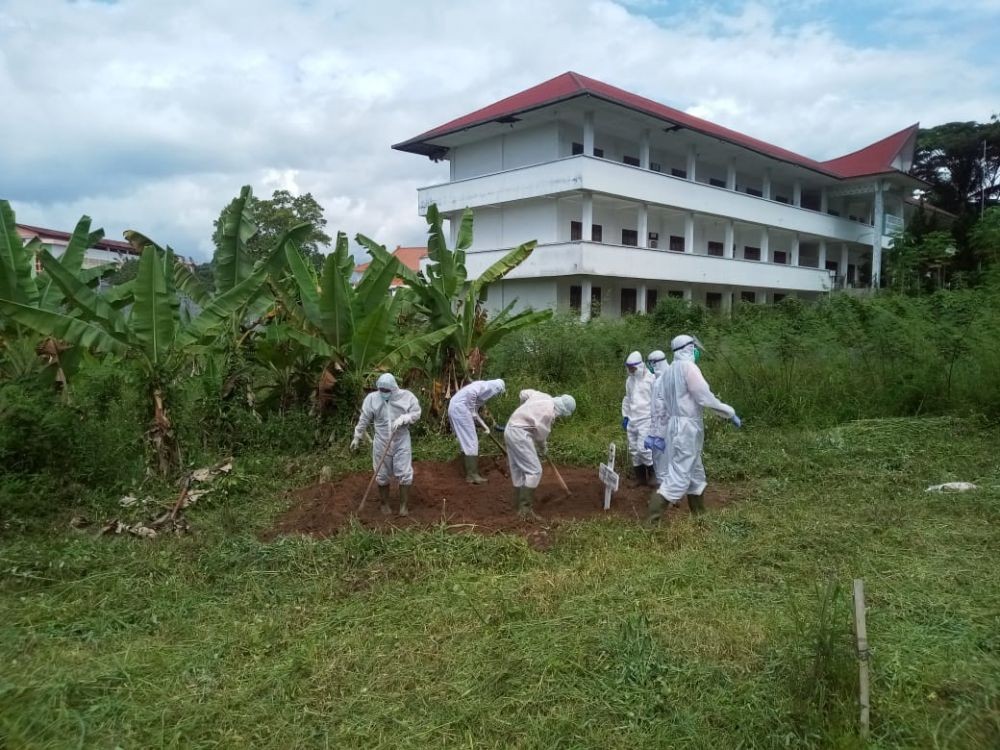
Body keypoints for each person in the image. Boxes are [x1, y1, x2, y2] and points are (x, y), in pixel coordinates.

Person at [648, 334, 741, 522]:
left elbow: (663, 406)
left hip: (676, 426)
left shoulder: (669, 371)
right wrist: (728, 412)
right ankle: (651, 521)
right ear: (688, 349)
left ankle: (699, 514)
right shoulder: (689, 368)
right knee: (679, 475)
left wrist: (659, 432)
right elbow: (704, 397)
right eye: (694, 347)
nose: (697, 351)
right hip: (687, 427)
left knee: (695, 473)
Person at [350, 373, 422, 516]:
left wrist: (404, 418)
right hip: (382, 441)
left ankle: (403, 506)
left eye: (387, 391)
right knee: (381, 473)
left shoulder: (406, 397)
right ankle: (384, 504)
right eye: (381, 390)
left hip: (401, 439)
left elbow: (416, 413)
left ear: (394, 388)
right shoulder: (372, 399)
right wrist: (357, 436)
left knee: (405, 471)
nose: (384, 393)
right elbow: (364, 418)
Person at [503, 390, 576, 519]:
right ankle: (525, 511)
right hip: (519, 434)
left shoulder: (544, 396)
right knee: (535, 471)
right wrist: (544, 449)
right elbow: (540, 437)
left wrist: (523, 410)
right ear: (563, 411)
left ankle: (518, 506)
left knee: (518, 470)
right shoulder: (549, 414)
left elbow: (523, 393)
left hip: (510, 428)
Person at [447, 379, 506, 484]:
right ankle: (472, 475)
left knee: (466, 441)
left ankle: (468, 473)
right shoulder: (484, 386)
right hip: (461, 409)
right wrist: (471, 410)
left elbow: (474, 412)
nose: (496, 394)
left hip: (456, 408)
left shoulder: (481, 389)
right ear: (497, 388)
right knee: (471, 441)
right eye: (498, 391)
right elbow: (471, 394)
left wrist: (485, 426)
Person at [621, 351, 657, 487]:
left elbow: (657, 399)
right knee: (634, 449)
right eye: (629, 368)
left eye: (632, 368)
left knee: (644, 448)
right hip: (632, 419)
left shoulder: (651, 379)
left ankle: (654, 476)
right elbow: (627, 399)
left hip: (646, 419)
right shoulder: (629, 381)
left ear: (640, 366)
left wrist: (657, 418)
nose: (630, 370)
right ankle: (640, 478)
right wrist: (625, 416)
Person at [646, 349, 671, 484]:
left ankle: (666, 498)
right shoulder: (660, 378)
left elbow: (663, 411)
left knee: (663, 462)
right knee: (662, 461)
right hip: (662, 428)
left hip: (665, 430)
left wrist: (658, 434)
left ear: (655, 363)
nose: (649, 366)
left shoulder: (664, 380)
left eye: (651, 363)